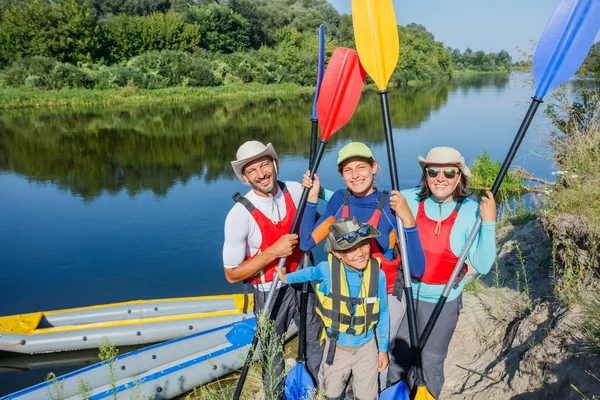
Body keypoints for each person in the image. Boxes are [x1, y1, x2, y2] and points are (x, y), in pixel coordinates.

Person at [299, 142, 426, 384]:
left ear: (373, 167)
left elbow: (417, 270)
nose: (355, 175)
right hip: (344, 297)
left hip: (383, 297)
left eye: (361, 167)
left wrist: (409, 222)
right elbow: (306, 242)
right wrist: (312, 198)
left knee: (376, 369)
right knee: (343, 370)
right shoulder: (338, 200)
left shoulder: (391, 204)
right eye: (348, 170)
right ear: (341, 174)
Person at [388, 146, 497, 397]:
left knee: (431, 360)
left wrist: (489, 221)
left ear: (459, 176)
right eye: (433, 172)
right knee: (398, 357)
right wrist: (320, 194)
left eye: (449, 172)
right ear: (425, 175)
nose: (441, 178)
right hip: (406, 295)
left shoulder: (472, 211)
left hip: (443, 300)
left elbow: (483, 264)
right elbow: (371, 202)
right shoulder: (406, 199)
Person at [222, 140, 323, 399]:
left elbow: (318, 226)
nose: (261, 173)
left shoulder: (295, 190)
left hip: (302, 279)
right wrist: (272, 253)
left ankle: (318, 389)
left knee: (314, 340)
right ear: (244, 177)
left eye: (264, 164)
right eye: (252, 170)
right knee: (272, 354)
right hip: (269, 291)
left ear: (274, 164)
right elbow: (232, 274)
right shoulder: (239, 214)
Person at [277, 217, 389, 400]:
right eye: (350, 249)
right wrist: (286, 278)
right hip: (336, 349)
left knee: (366, 395)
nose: (360, 253)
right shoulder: (326, 270)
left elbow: (383, 312)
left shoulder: (379, 275)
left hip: (367, 349)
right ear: (337, 253)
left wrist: (383, 349)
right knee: (331, 393)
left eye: (364, 245)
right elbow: (308, 273)